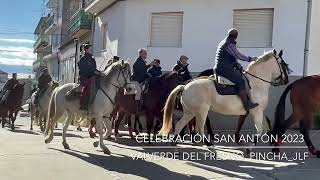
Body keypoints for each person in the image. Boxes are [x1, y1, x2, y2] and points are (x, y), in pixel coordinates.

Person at [213, 28, 258, 111]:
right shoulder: (229, 44)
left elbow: (231, 56)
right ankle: (246, 104)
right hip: (224, 69)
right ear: (236, 37)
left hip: (221, 67)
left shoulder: (224, 41)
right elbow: (238, 55)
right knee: (241, 81)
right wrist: (251, 59)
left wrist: (236, 64)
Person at [78, 44, 100, 111]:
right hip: (85, 78)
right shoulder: (82, 59)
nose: (92, 50)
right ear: (86, 50)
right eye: (90, 49)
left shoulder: (92, 59)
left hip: (92, 77)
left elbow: (94, 69)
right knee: (87, 89)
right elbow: (83, 70)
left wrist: (100, 73)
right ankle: (84, 105)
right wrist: (93, 73)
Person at [131, 48, 154, 113]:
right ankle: (137, 107)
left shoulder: (142, 61)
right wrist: (149, 65)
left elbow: (144, 69)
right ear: (140, 54)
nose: (146, 54)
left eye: (146, 53)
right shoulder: (138, 61)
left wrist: (149, 65)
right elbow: (142, 70)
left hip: (141, 80)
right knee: (138, 91)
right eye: (145, 53)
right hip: (136, 80)